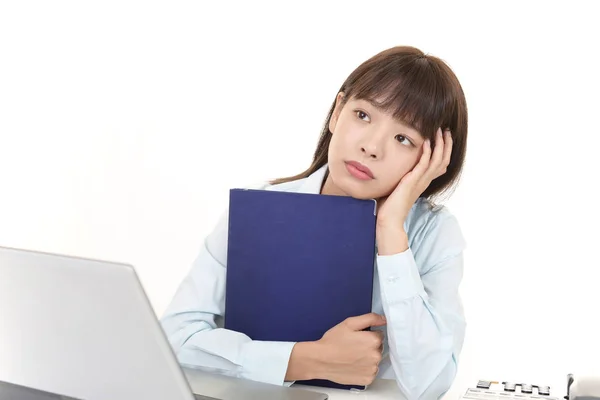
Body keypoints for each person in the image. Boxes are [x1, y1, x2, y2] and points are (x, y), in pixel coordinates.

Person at [160, 45, 468, 400]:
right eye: (363, 115)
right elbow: (175, 337)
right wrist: (305, 360)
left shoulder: (433, 234)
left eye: (403, 138)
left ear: (431, 160)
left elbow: (429, 385)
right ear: (337, 113)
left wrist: (390, 232)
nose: (371, 146)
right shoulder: (257, 208)